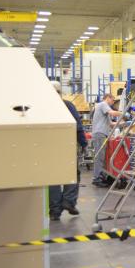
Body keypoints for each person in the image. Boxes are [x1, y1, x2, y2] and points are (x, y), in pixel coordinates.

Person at [49, 81, 86, 220]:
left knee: (53, 178)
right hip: (68, 145)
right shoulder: (68, 105)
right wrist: (83, 143)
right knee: (72, 174)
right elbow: (78, 126)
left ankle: (54, 211)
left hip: (49, 147)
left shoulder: (43, 108)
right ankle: (69, 202)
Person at [90, 92, 121, 186]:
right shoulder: (103, 104)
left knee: (102, 157)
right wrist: (123, 113)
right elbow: (112, 113)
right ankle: (96, 179)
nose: (113, 102)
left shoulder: (104, 110)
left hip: (102, 135)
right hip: (100, 134)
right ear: (107, 98)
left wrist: (126, 123)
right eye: (112, 100)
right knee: (99, 157)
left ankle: (101, 177)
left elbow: (111, 124)